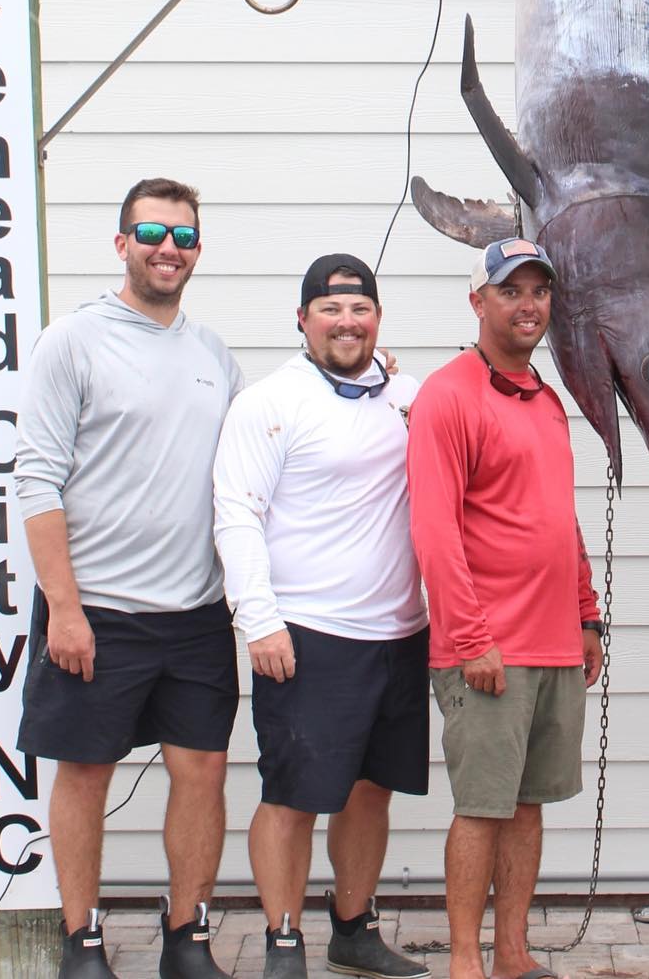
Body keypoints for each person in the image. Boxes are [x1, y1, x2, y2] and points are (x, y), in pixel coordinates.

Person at [15, 179, 242, 979]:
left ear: (198, 251)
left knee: (202, 771)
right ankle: (81, 938)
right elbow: (35, 480)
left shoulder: (215, 354)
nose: (167, 247)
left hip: (195, 612)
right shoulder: (71, 341)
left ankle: (188, 936)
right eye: (151, 230)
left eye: (183, 235)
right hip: (98, 611)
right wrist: (63, 607)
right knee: (84, 772)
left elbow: (249, 470)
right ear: (122, 243)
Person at [212, 254, 431, 979]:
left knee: (371, 792)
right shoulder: (269, 402)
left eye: (360, 308)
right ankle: (281, 940)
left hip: (399, 633)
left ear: (377, 318)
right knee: (294, 796)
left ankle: (353, 927)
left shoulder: (407, 395)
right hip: (307, 635)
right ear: (302, 319)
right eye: (331, 309)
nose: (347, 321)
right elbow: (236, 512)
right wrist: (258, 618)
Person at [406, 238, 604, 979]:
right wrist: (469, 637)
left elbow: (561, 517)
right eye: (511, 290)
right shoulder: (449, 394)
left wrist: (587, 615)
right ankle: (465, 959)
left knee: (528, 806)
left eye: (539, 291)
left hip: (554, 643)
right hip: (488, 648)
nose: (528, 305)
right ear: (478, 301)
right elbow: (434, 528)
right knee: (484, 806)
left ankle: (513, 952)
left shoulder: (547, 400)